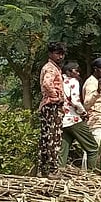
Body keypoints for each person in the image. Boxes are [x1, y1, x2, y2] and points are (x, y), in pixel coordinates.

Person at [60, 61, 100, 172]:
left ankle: (58, 174)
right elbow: (75, 101)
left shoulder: (60, 81)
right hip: (73, 119)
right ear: (68, 71)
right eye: (75, 70)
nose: (78, 73)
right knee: (92, 148)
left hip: (62, 120)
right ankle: (92, 175)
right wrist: (84, 113)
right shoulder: (73, 81)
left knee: (63, 150)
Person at [38, 41, 67, 178]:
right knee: (53, 138)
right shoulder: (50, 68)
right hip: (52, 106)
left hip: (48, 106)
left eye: (62, 54)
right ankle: (52, 169)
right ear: (50, 54)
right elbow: (47, 84)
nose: (60, 57)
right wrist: (57, 98)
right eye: (57, 53)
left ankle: (43, 169)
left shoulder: (54, 68)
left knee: (46, 138)